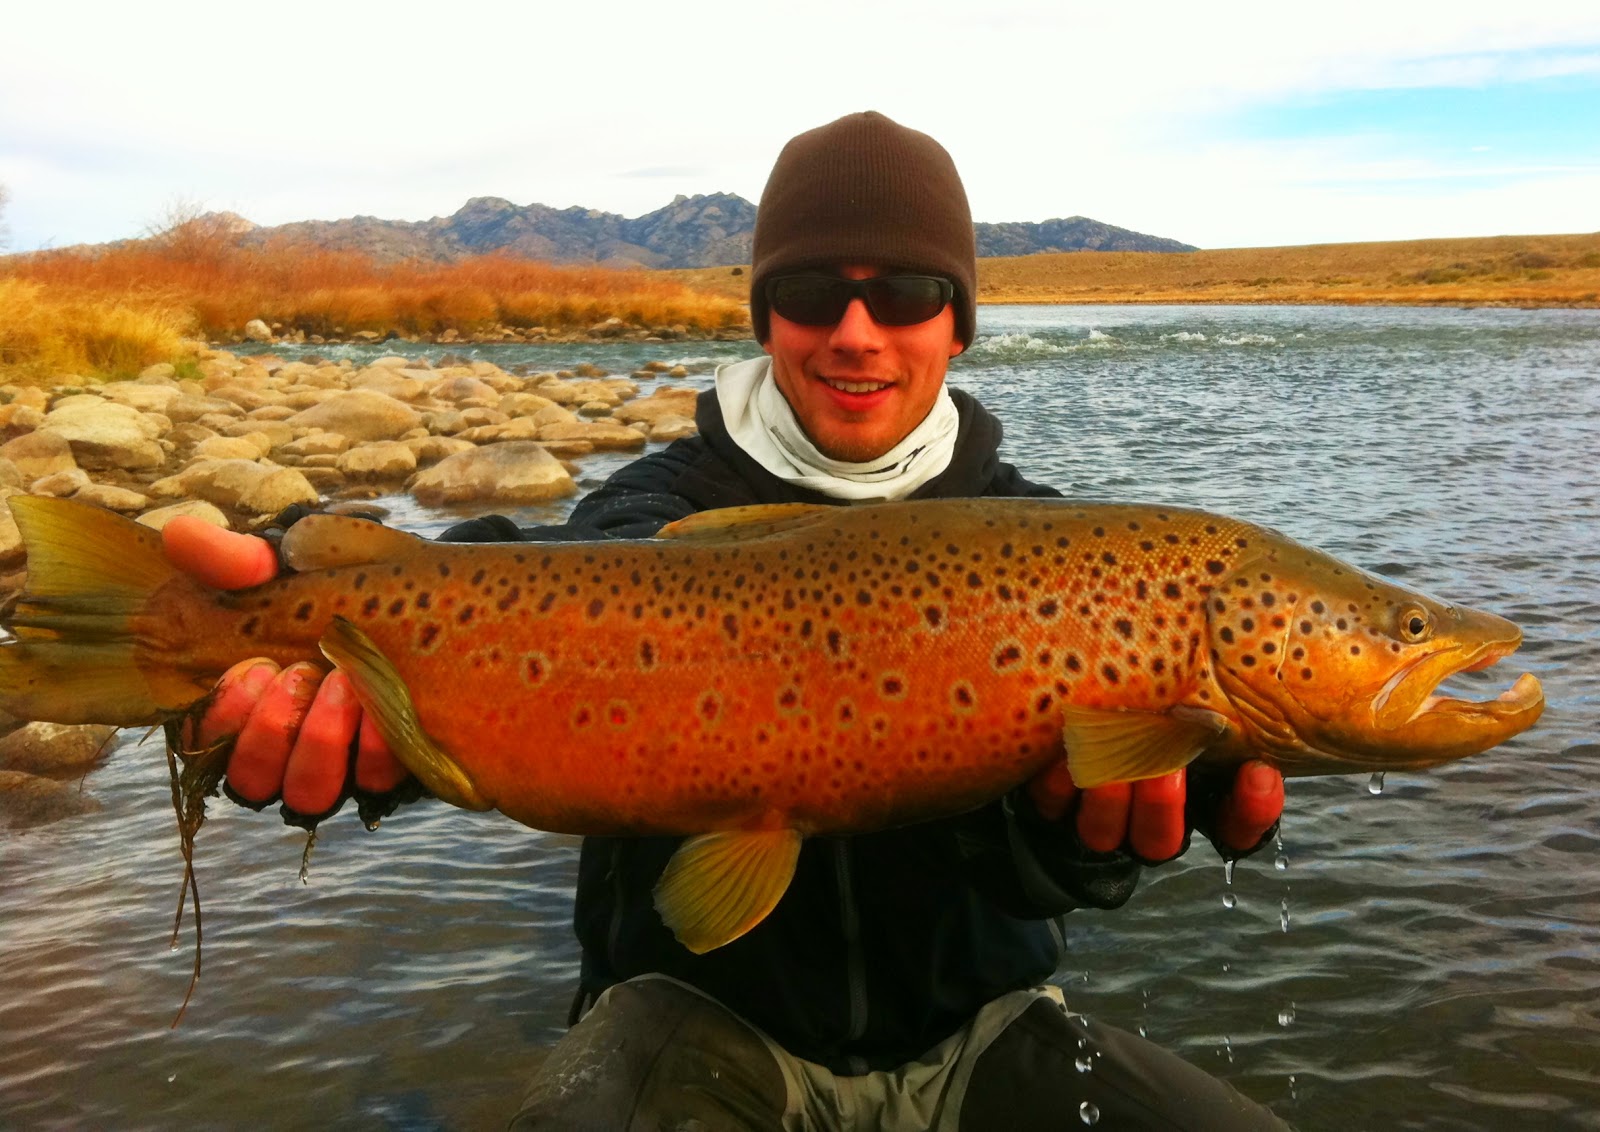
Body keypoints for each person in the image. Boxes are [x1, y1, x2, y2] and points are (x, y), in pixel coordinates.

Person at [163, 112, 1291, 1130]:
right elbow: (543, 583)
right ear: (764, 320)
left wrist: (1075, 841)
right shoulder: (658, 512)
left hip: (981, 1030)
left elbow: (1050, 852)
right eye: (809, 294)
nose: (855, 332)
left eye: (902, 293)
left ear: (957, 325)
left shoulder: (1054, 547)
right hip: (688, 1027)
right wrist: (315, 609)